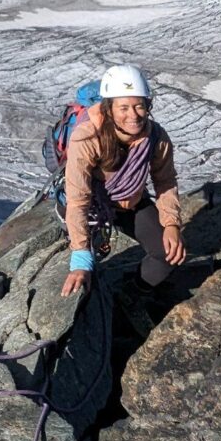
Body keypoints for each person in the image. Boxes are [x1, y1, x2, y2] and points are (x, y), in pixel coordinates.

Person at [60, 64, 186, 297]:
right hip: (91, 206)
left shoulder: (156, 137)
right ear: (109, 109)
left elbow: (165, 181)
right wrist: (80, 258)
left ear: (148, 106)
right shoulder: (88, 136)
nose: (133, 115)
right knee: (89, 270)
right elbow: (78, 199)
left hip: (129, 202)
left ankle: (133, 294)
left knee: (167, 255)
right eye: (124, 108)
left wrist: (171, 224)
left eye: (139, 106)